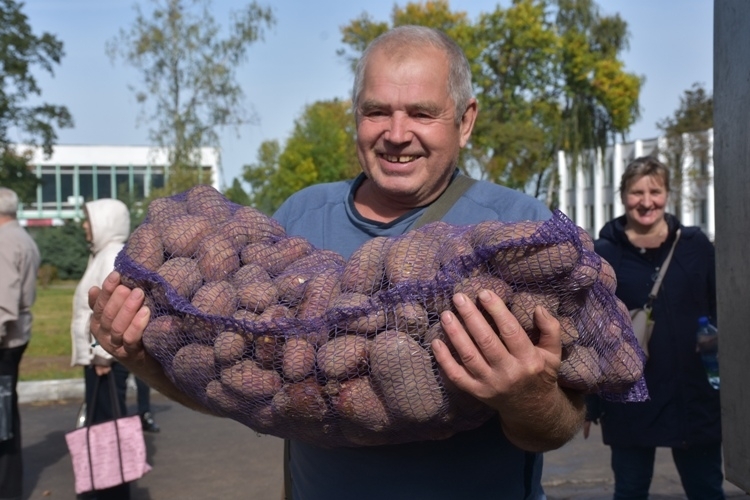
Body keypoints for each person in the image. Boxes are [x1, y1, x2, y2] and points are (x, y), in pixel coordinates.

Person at [87, 26, 586, 499]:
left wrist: (526, 397)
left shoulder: (522, 231)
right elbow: (235, 390)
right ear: (355, 116)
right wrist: (142, 360)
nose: (396, 133)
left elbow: (561, 425)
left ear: (466, 120)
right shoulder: (299, 217)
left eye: (421, 112)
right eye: (376, 111)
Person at [584, 156, 724, 499]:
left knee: (706, 488)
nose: (646, 202)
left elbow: (721, 307)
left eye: (655, 191)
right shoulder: (604, 253)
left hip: (694, 394)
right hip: (631, 395)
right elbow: (589, 329)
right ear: (623, 196)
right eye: (637, 192)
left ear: (668, 195)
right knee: (630, 489)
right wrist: (589, 401)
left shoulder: (695, 247)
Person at [70, 198, 133, 500]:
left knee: (108, 427)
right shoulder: (102, 255)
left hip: (104, 359)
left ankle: (113, 492)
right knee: (104, 425)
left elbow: (109, 310)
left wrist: (102, 354)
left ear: (105, 222)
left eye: (89, 220)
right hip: (100, 358)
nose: (85, 225)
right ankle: (105, 487)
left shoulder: (111, 257)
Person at [0, 187, 40, 500]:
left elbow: (4, 302)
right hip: (17, 334)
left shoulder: (4, 241)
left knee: (3, 417)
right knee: (6, 411)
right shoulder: (24, 238)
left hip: (4, 338)